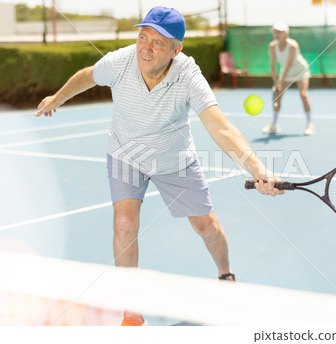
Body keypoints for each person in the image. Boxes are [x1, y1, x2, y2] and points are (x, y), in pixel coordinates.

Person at [35, 6, 284, 326]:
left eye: (158, 43)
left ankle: (226, 275)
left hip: (173, 159)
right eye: (143, 37)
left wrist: (258, 169)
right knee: (124, 224)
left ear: (176, 50)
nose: (146, 48)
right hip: (125, 155)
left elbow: (220, 127)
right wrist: (57, 97)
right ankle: (131, 311)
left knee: (206, 226)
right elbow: (87, 76)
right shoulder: (119, 62)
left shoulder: (188, 75)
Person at [263, 22, 314, 136]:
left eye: (280, 32)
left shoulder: (292, 45)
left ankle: (309, 124)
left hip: (300, 70)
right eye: (275, 32)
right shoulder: (272, 46)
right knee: (277, 97)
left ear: (286, 34)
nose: (277, 34)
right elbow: (272, 66)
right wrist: (276, 82)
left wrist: (280, 82)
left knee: (303, 95)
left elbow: (288, 65)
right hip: (285, 72)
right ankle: (274, 124)